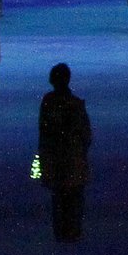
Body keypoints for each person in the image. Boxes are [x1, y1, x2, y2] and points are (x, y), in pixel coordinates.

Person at [37, 64, 92, 243]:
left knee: (60, 196)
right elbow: (86, 134)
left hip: (56, 158)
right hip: (73, 158)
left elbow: (44, 133)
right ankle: (72, 231)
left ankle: (62, 232)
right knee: (73, 197)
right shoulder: (75, 103)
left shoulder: (48, 102)